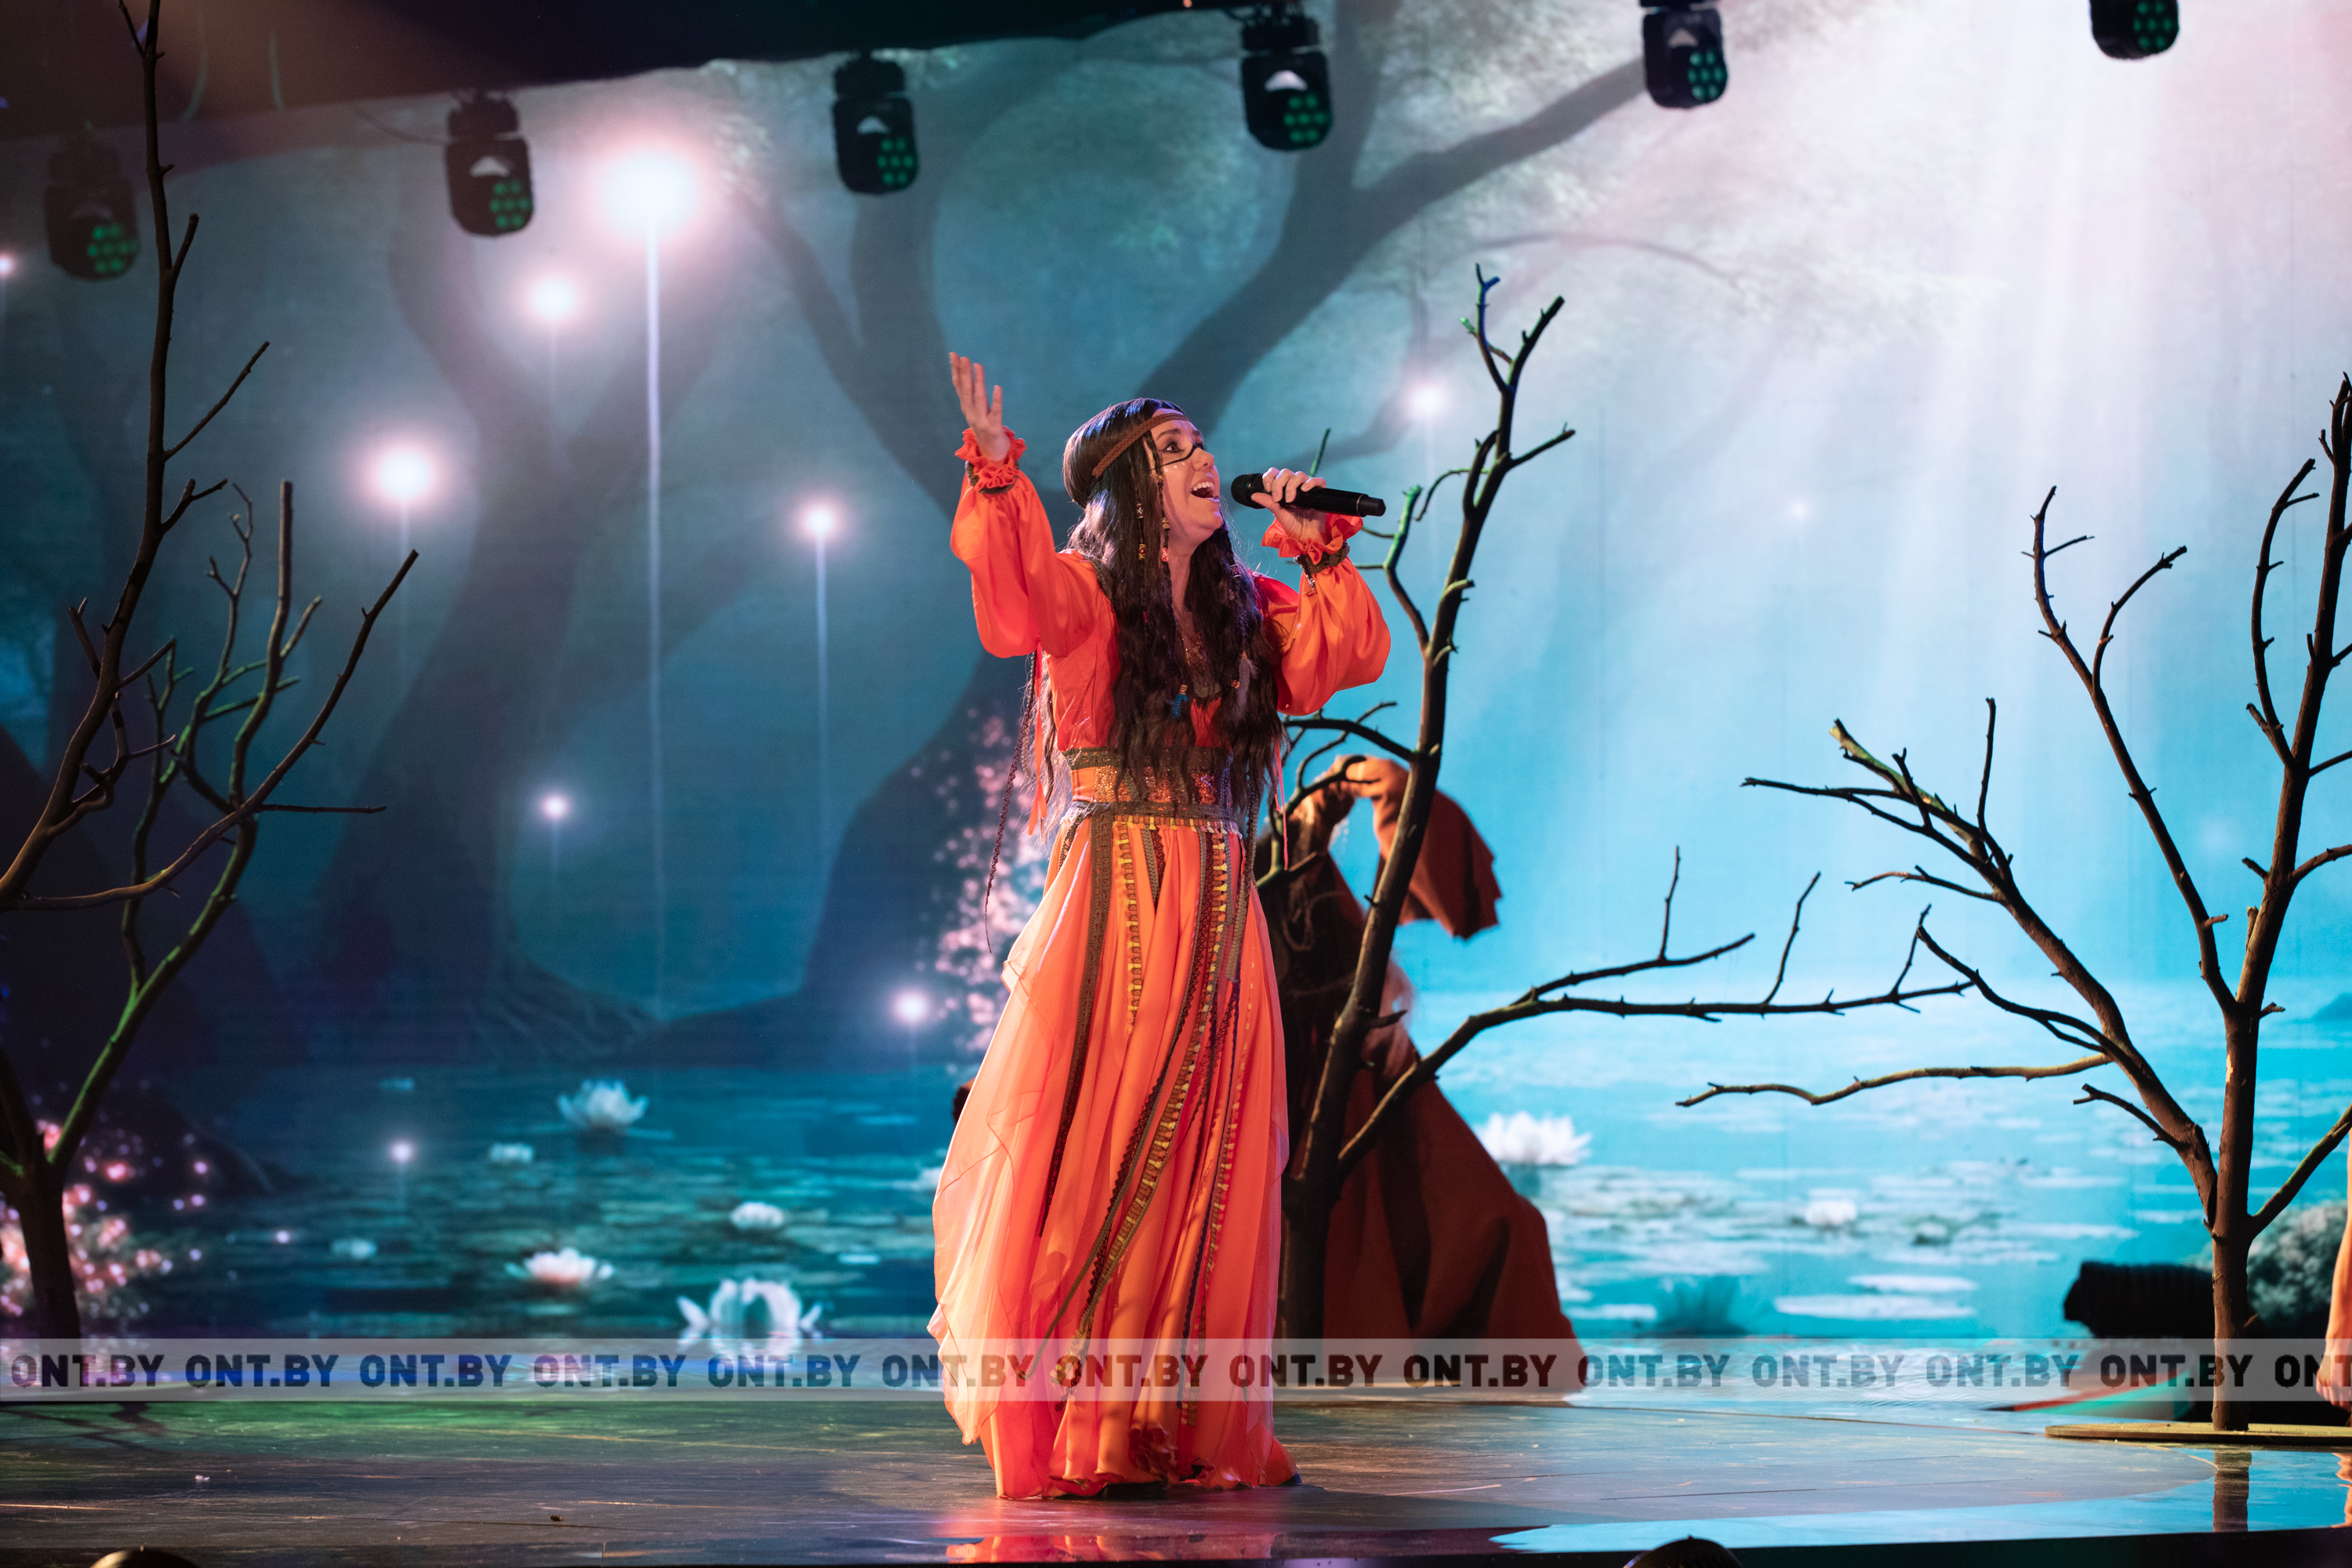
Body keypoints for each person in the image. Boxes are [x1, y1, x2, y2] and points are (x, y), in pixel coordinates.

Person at [929, 353, 1390, 1498]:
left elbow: (1340, 658)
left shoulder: (1245, 611)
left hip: (1221, 893)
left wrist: (1322, 550)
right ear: (1128, 489)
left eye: (1200, 446)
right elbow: (1012, 606)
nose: (1203, 462)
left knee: (1214, 1145)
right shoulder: (1086, 594)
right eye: (1173, 452)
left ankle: (1172, 1416)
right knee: (1116, 1133)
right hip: (1121, 888)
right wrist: (996, 476)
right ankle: (1087, 1416)